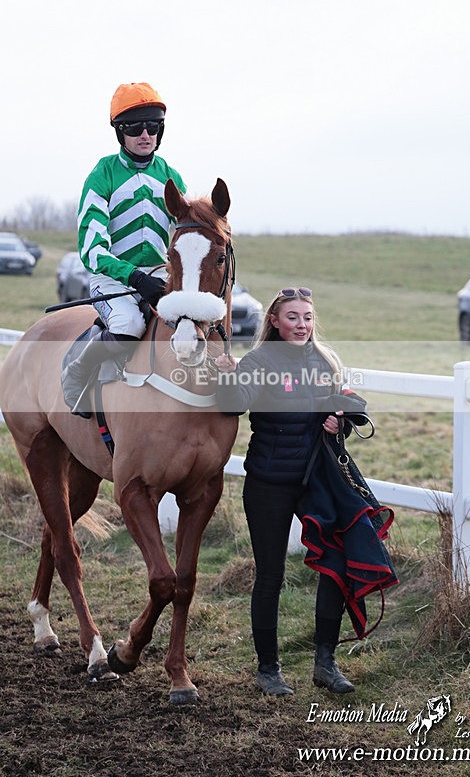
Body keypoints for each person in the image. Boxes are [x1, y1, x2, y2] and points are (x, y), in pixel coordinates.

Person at [215, 287, 359, 696]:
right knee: (271, 575)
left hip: (315, 482)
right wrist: (227, 377)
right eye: (293, 317)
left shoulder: (326, 361)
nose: (302, 325)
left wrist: (340, 422)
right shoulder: (259, 361)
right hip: (268, 484)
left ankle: (325, 663)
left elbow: (339, 411)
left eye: (308, 317)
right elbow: (232, 406)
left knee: (336, 564)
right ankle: (268, 670)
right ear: (275, 321)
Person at [62, 81, 187, 418]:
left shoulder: (171, 177)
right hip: (113, 281)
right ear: (120, 131)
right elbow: (92, 250)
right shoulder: (102, 174)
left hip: (158, 279)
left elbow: (187, 235)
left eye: (153, 126)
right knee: (130, 325)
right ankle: (77, 369)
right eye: (134, 128)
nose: (145, 135)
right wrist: (133, 277)